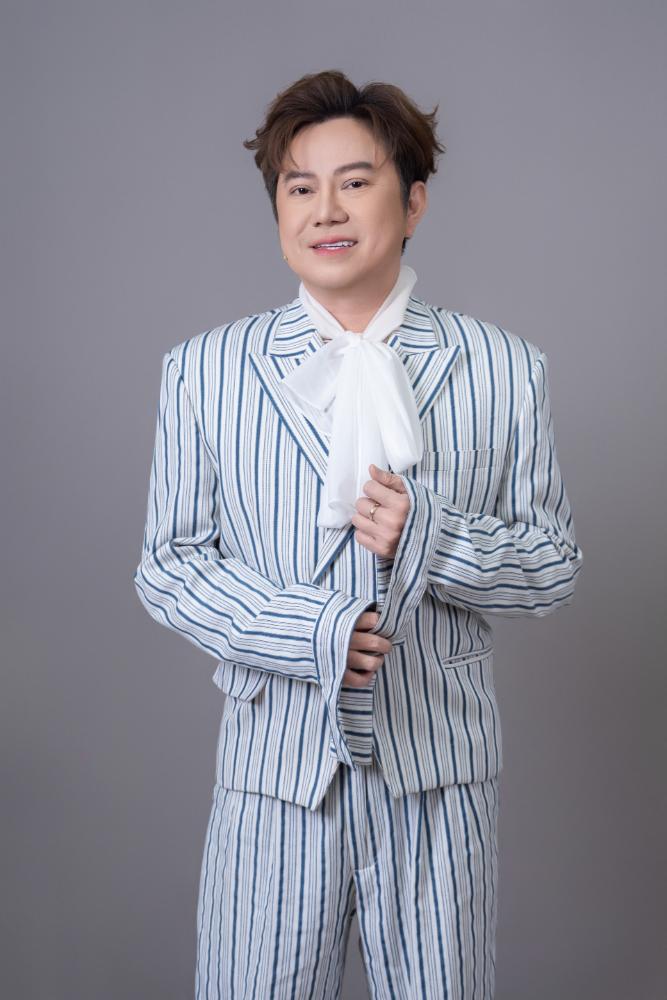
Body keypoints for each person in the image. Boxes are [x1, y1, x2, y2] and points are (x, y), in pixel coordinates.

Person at [133, 69, 583, 1000]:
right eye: (299, 186)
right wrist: (311, 632)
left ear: (412, 202)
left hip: (438, 779)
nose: (325, 210)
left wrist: (434, 539)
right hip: (275, 779)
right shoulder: (204, 371)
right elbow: (170, 566)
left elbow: (551, 565)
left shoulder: (505, 369)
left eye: (355, 181)